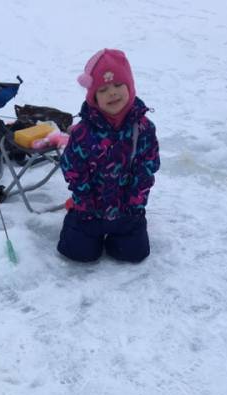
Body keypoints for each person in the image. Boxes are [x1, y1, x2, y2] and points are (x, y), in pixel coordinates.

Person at [57, 49, 160, 264]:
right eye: (103, 89)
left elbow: (147, 168)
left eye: (117, 85)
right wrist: (83, 201)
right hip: (90, 210)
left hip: (127, 211)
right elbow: (72, 167)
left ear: (129, 87)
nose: (112, 93)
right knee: (78, 254)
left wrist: (136, 204)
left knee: (134, 254)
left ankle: (120, 235)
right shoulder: (82, 131)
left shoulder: (143, 128)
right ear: (94, 97)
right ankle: (78, 221)